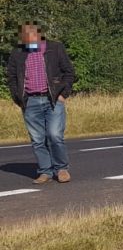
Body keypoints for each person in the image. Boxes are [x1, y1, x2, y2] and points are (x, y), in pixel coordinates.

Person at [5, 22, 76, 184]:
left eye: (32, 34)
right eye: (25, 35)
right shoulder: (18, 54)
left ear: (39, 34)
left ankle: (61, 168)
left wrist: (63, 94)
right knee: (37, 139)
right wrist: (19, 99)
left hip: (53, 99)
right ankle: (45, 171)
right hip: (30, 101)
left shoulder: (55, 48)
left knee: (55, 135)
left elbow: (69, 72)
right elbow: (12, 78)